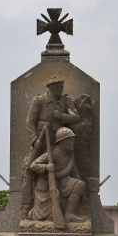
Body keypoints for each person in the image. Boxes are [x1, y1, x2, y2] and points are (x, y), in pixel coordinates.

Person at [21, 77, 80, 217]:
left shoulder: (66, 101)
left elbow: (76, 117)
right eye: (59, 87)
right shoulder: (39, 100)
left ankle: (64, 208)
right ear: (51, 88)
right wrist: (35, 140)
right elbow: (29, 122)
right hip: (41, 140)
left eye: (62, 87)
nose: (62, 89)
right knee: (27, 171)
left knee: (64, 170)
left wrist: (62, 116)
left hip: (60, 141)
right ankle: (25, 207)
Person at [27, 127, 87, 223]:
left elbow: (75, 172)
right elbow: (33, 165)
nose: (73, 143)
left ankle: (69, 214)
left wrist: (82, 192)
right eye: (70, 140)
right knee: (49, 216)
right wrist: (46, 167)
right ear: (63, 141)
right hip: (49, 183)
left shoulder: (70, 154)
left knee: (80, 184)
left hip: (64, 182)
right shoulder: (53, 154)